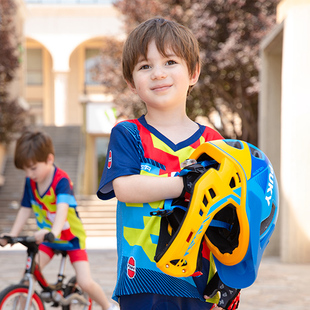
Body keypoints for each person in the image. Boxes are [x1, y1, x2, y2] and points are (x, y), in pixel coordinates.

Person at [97, 17, 231, 310]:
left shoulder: (214, 143)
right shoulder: (129, 134)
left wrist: (230, 283)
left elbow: (232, 214)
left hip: (200, 282)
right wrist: (187, 183)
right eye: (145, 66)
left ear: (193, 73)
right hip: (142, 280)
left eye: (170, 62)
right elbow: (125, 188)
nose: (158, 73)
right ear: (132, 83)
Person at [0, 130, 118, 310]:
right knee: (29, 273)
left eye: (32, 168)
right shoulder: (30, 182)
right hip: (48, 238)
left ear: (49, 159)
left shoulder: (61, 180)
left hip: (70, 238)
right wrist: (12, 234)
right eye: (25, 170)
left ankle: (108, 306)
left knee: (85, 282)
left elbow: (62, 208)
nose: (29, 174)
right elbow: (25, 208)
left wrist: (53, 232)